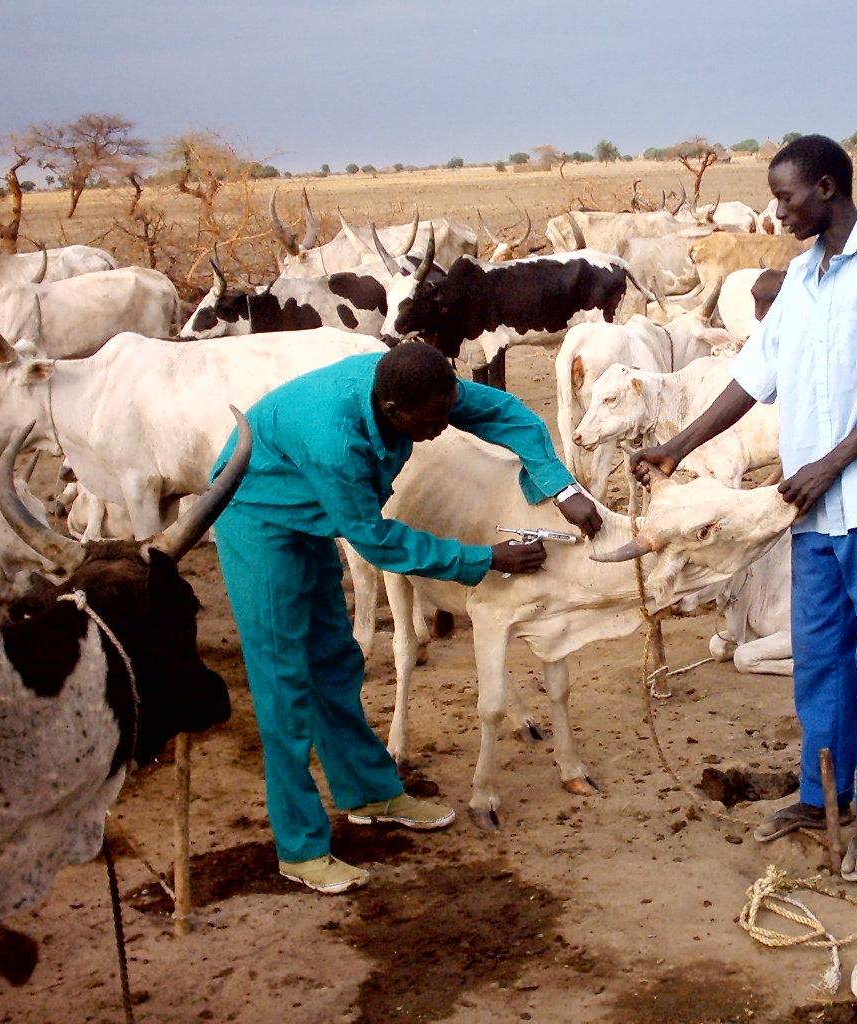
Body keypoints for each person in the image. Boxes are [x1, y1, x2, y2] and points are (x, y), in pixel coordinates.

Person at [632, 135, 857, 881]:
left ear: (826, 188)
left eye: (787, 197)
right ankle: (818, 794)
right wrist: (674, 446)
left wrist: (829, 462)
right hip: (810, 514)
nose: (778, 212)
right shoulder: (799, 278)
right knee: (821, 659)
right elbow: (749, 380)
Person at [211, 342, 602, 894]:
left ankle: (369, 792)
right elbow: (375, 540)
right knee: (284, 680)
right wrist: (483, 559)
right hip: (259, 513)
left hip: (307, 510)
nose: (445, 428)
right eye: (432, 421)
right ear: (393, 411)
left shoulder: (424, 388)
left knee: (334, 659)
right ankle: (300, 848)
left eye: (449, 411)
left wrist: (560, 487)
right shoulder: (338, 441)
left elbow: (506, 413)